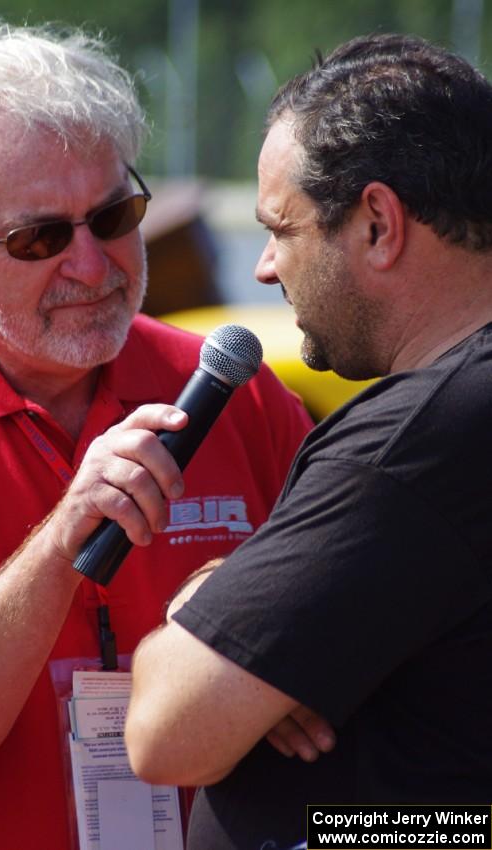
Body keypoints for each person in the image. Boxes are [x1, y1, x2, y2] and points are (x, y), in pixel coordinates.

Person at [0, 17, 320, 850]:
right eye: (38, 237)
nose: (92, 266)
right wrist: (56, 548)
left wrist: (294, 657)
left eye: (113, 217)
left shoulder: (230, 389)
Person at [124, 32, 492, 850]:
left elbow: (165, 731)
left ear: (376, 223)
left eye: (280, 228)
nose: (261, 267)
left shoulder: (413, 447)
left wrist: (201, 599)